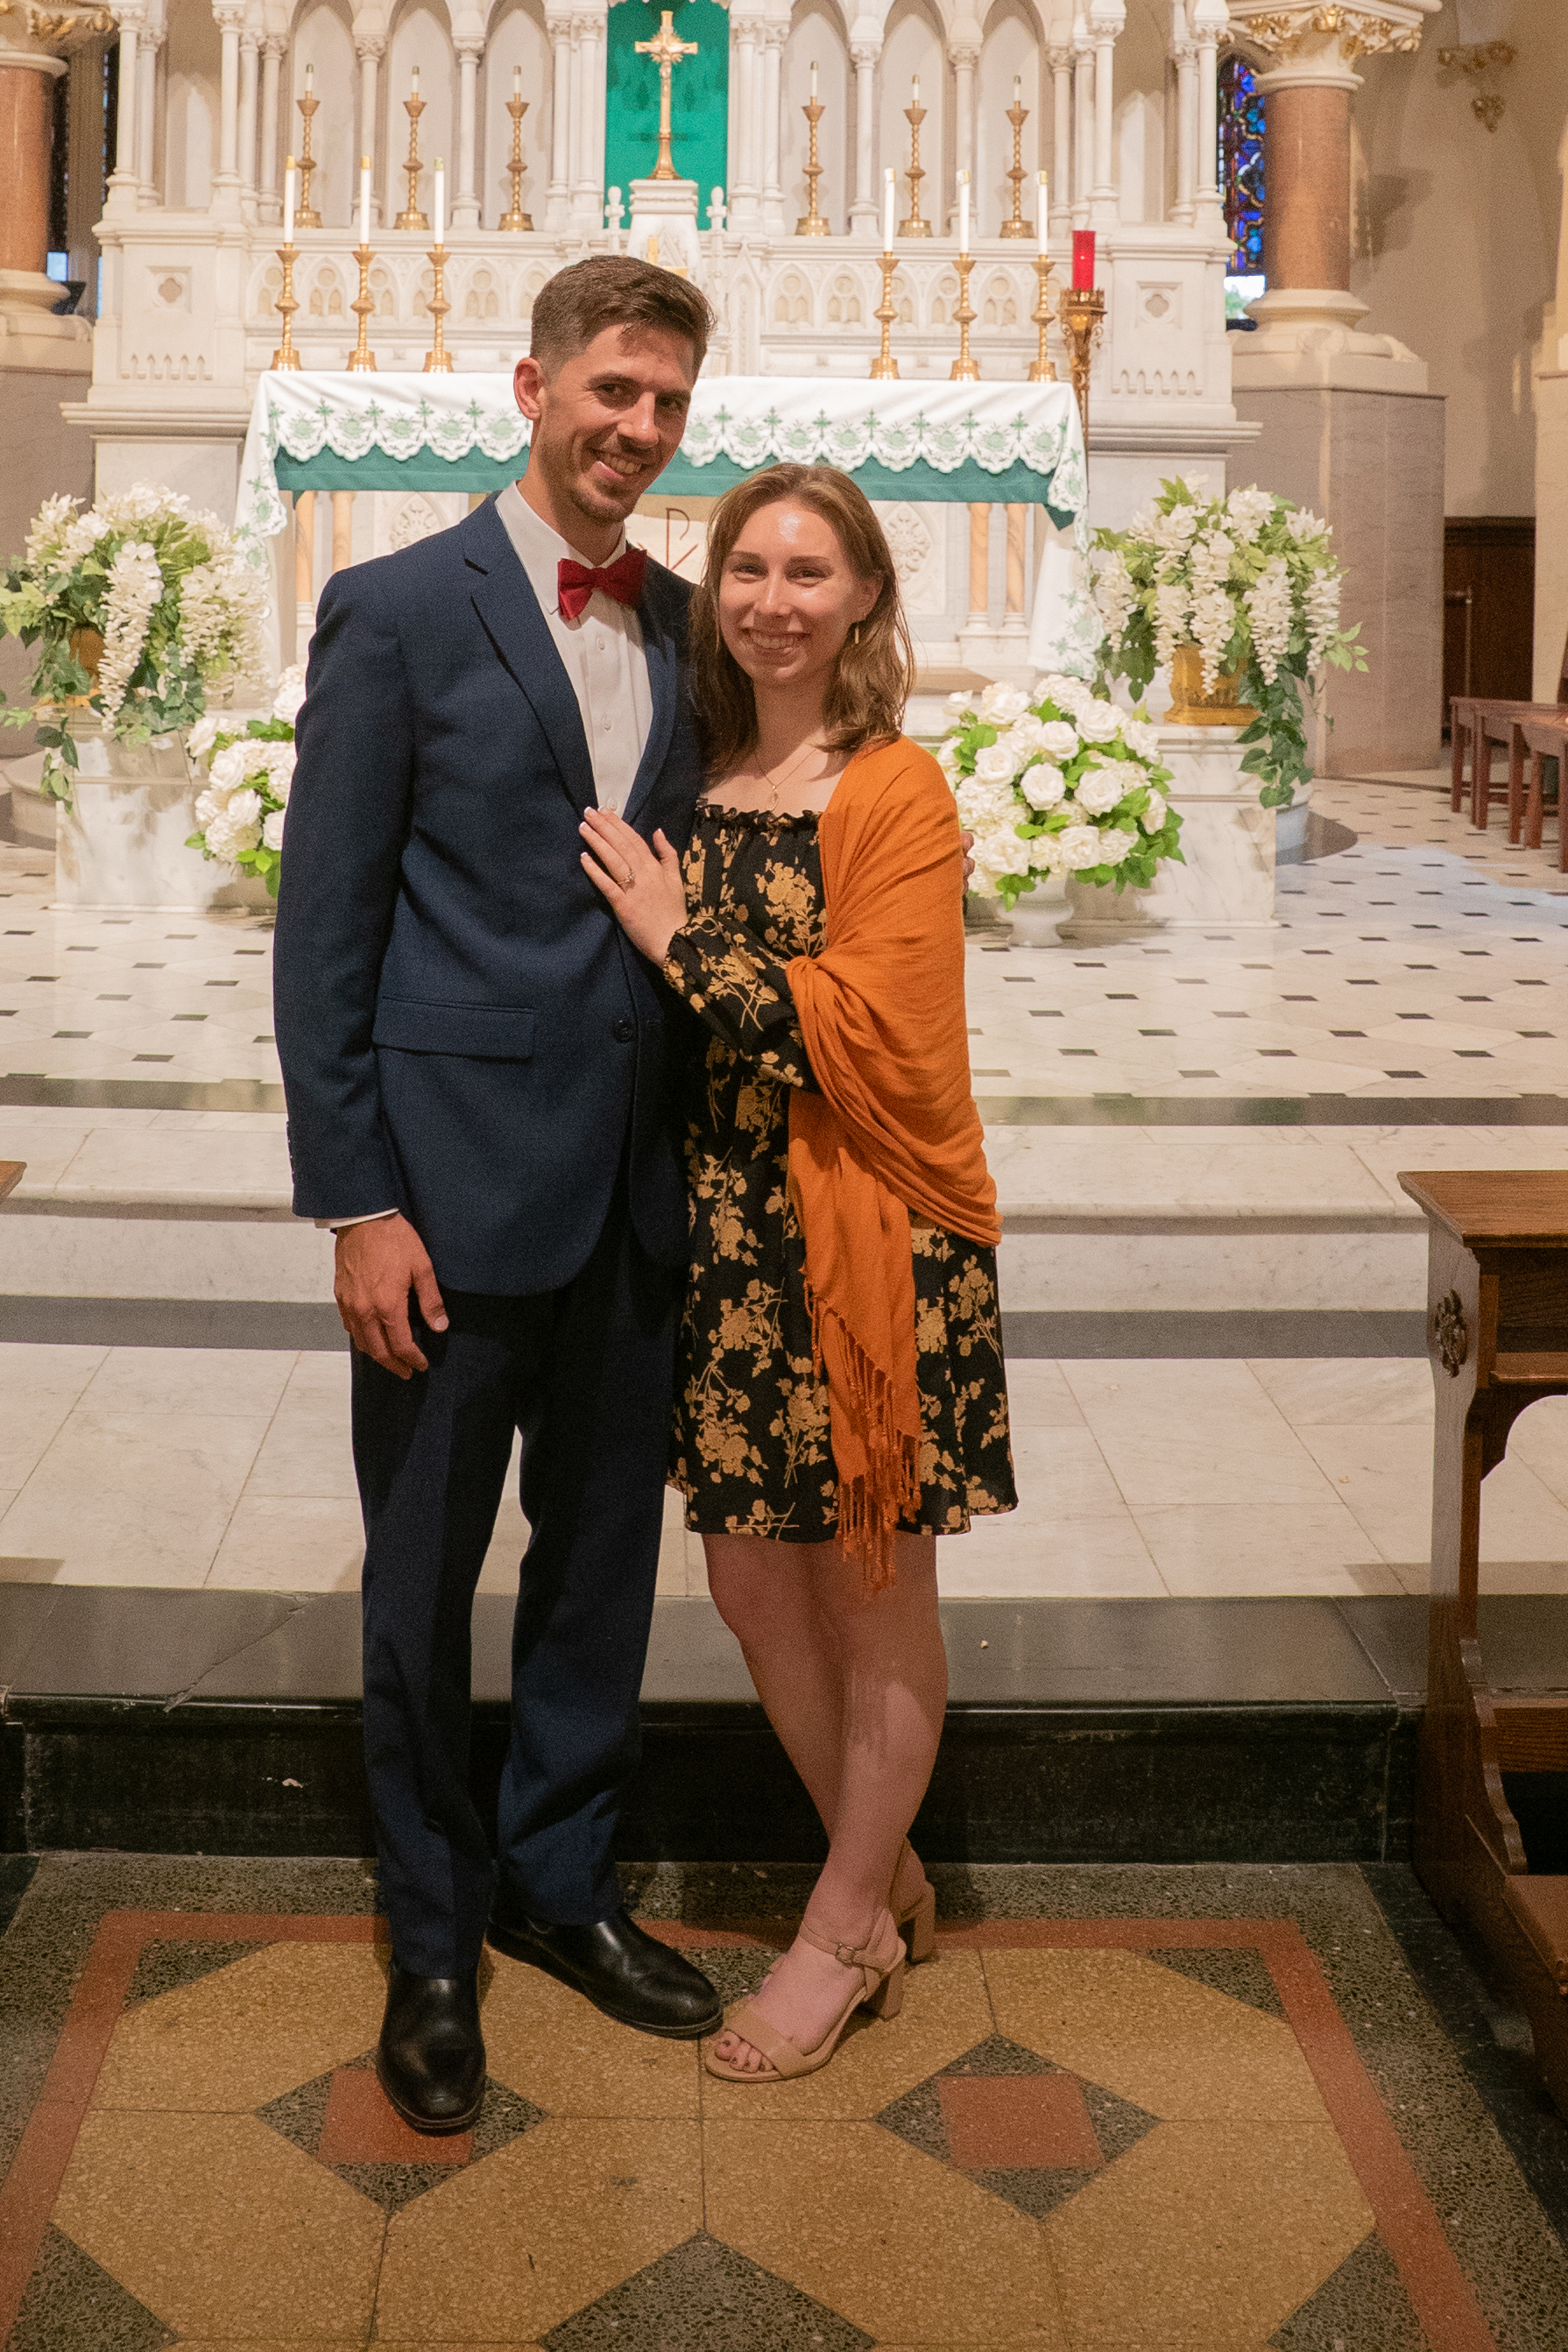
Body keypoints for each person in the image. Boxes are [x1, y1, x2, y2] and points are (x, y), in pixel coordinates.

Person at [273, 257, 724, 2136]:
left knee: (604, 1566)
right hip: (448, 1203)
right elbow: (327, 928)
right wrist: (358, 1199)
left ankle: (557, 1879)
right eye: (611, 389)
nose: (635, 427)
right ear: (533, 384)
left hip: (638, 1196)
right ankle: (433, 1934)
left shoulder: (699, 625)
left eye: (668, 404)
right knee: (419, 1583)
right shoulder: (394, 608)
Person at [579, 462, 1014, 2084]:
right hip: (729, 1232)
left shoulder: (891, 789)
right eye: (747, 566)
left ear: (864, 601)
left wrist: (677, 942)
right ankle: (872, 1859)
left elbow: (876, 1037)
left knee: (869, 1574)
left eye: (808, 571)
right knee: (752, 1575)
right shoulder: (694, 775)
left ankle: (837, 1928)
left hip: (872, 1230)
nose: (771, 598)